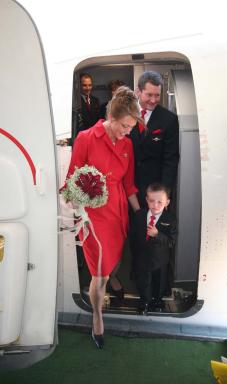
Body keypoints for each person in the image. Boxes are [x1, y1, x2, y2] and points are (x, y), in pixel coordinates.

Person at [64, 86, 140, 349]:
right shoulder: (86, 138)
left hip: (117, 211)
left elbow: (129, 185)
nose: (127, 131)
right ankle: (97, 317)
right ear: (111, 116)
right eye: (124, 125)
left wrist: (141, 215)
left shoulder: (128, 144)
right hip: (92, 216)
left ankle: (113, 279)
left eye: (131, 127)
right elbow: (71, 181)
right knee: (100, 273)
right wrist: (77, 204)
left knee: (112, 263)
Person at [129, 70, 179, 207]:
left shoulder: (169, 120)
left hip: (153, 191)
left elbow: (171, 159)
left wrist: (164, 192)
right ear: (138, 91)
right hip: (127, 189)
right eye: (149, 95)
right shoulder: (126, 113)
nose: (153, 100)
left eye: (157, 95)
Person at [131, 182, 177, 314]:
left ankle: (157, 300)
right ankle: (144, 301)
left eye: (160, 202)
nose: (155, 205)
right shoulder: (139, 215)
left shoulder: (170, 219)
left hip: (160, 260)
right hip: (142, 258)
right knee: (143, 282)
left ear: (167, 202)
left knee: (160, 282)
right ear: (146, 199)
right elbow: (133, 237)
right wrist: (135, 254)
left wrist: (157, 235)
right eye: (151, 201)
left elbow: (171, 241)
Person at [58, 74, 100, 146]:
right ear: (79, 86)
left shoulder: (96, 101)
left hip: (93, 139)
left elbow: (97, 122)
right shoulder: (74, 102)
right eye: (84, 85)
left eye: (89, 85)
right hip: (80, 139)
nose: (88, 88)